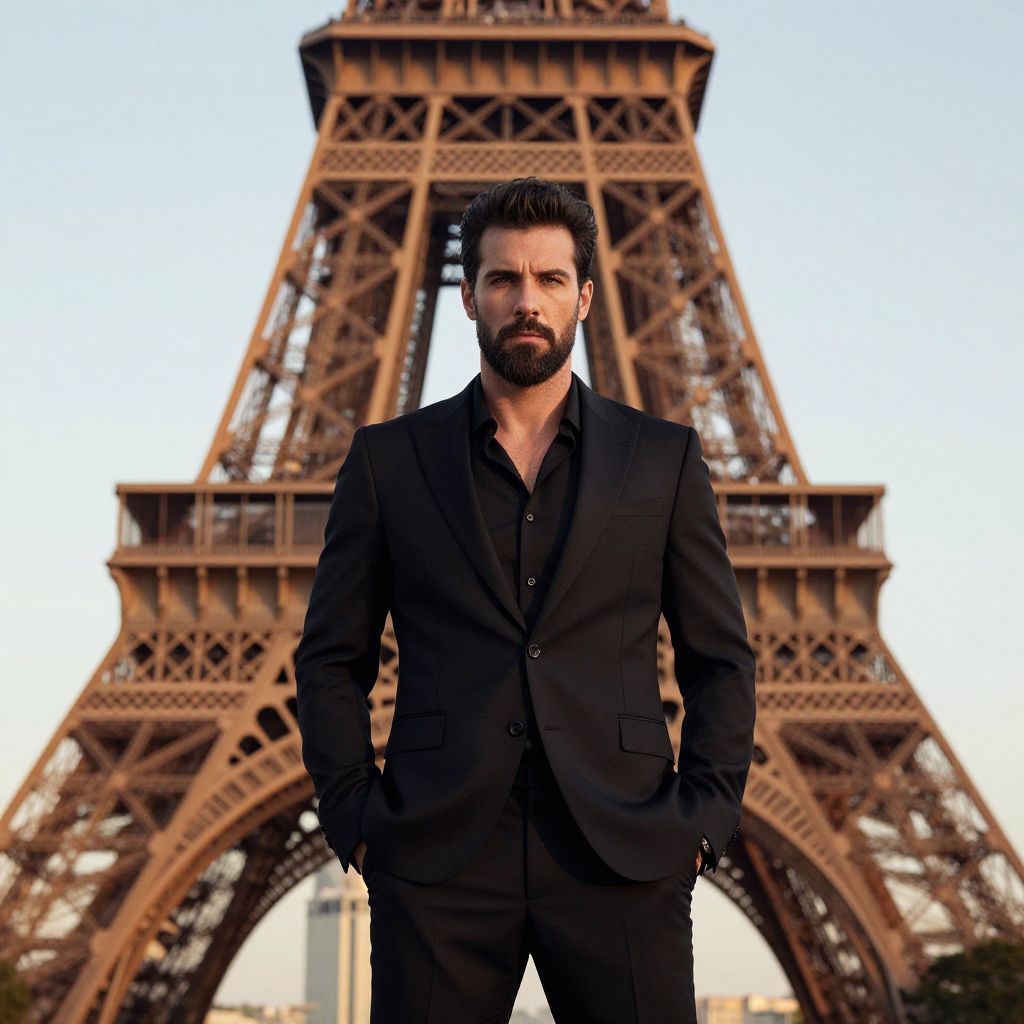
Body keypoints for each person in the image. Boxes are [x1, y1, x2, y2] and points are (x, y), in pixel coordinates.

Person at [294, 176, 757, 1023]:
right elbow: (330, 657)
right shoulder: (387, 461)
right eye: (503, 279)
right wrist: (355, 817)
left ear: (584, 294)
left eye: (548, 280)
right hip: (437, 854)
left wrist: (701, 821)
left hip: (622, 850)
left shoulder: (664, 460)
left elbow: (720, 658)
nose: (526, 301)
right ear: (468, 295)